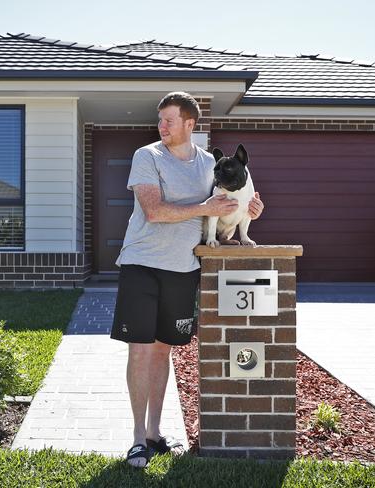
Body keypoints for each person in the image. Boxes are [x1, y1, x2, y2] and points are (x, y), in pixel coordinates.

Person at [110, 92, 264, 468]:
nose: (161, 126)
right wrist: (205, 207)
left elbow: (227, 209)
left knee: (164, 349)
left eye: (169, 120)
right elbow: (154, 211)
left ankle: (154, 432)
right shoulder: (148, 156)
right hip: (143, 263)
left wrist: (250, 210)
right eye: (159, 119)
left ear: (190, 124)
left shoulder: (211, 163)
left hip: (184, 268)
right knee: (141, 349)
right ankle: (135, 439)